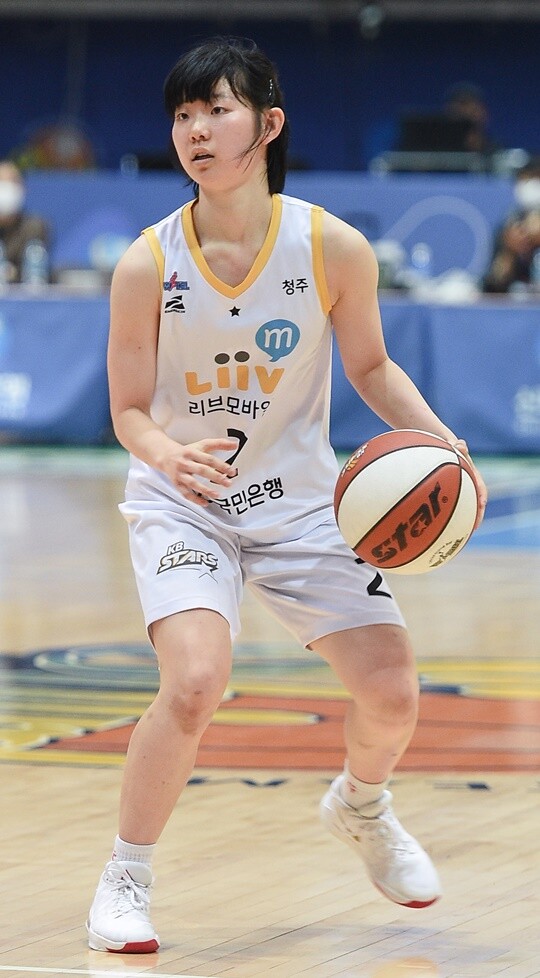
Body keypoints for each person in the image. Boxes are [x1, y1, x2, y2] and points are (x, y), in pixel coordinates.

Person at [86, 37, 488, 954]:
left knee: (393, 693)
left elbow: (372, 367)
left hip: (302, 502)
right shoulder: (147, 264)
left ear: (268, 124)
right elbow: (127, 410)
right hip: (185, 502)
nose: (195, 131)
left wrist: (441, 441)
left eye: (216, 110)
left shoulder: (330, 247)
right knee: (195, 681)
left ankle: (362, 804)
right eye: (183, 115)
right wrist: (166, 455)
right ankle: (125, 876)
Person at [483, 159, 540, 294]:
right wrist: (509, 253)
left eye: (535, 179)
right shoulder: (511, 225)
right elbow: (495, 285)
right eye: (525, 180)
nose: (530, 186)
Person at [0, 160, 50, 283]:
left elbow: (35, 271)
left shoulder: (34, 227)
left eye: (11, 183)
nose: (5, 189)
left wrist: (9, 273)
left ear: (22, 189)